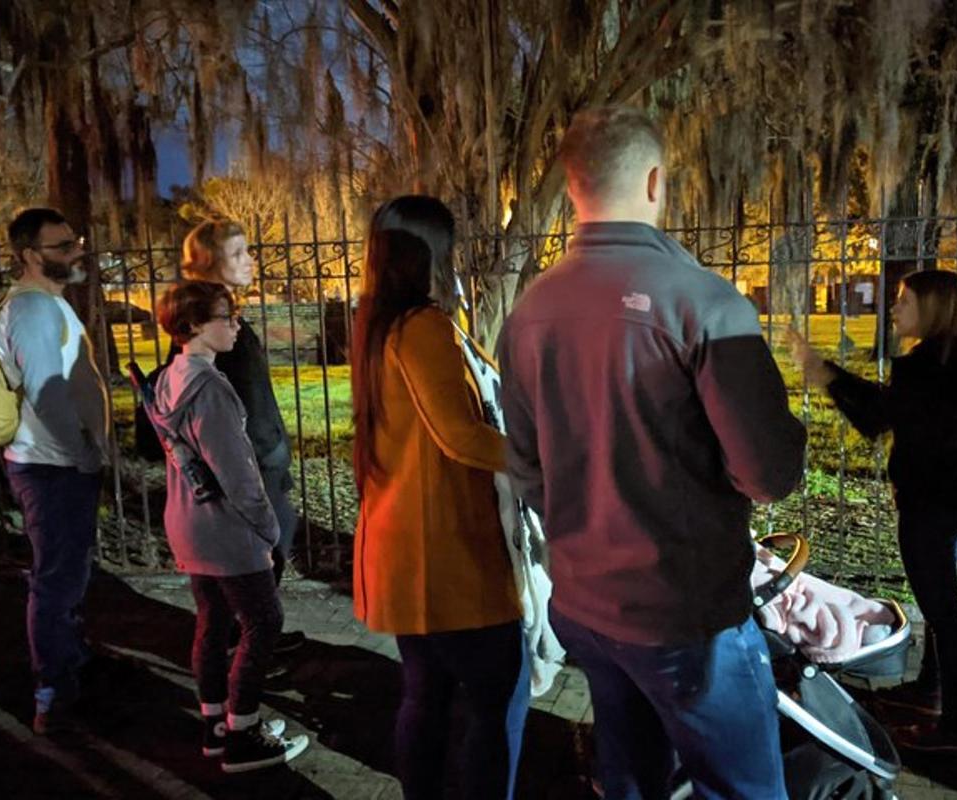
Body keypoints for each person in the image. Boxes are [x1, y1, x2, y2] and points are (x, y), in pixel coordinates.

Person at [498, 106, 806, 799]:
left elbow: (524, 465)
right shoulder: (702, 303)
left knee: (631, 776)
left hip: (583, 602)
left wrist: (585, 526)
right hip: (685, 614)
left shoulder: (529, 311)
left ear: (574, 186)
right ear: (657, 180)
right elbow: (768, 473)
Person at [351, 196, 528, 800]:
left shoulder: (375, 323)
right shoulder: (421, 326)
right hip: (450, 556)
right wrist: (549, 460)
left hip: (406, 550)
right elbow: (460, 436)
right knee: (497, 701)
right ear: (431, 252)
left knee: (425, 694)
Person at [787, 269, 957, 753]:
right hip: (955, 496)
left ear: (934, 309)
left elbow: (878, 417)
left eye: (904, 301)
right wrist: (828, 373)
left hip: (931, 505)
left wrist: (824, 374)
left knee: (945, 613)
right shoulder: (956, 361)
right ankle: (931, 686)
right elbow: (892, 409)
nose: (894, 309)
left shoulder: (926, 368)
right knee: (942, 605)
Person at [152, 280, 309, 773]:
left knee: (213, 622)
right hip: (225, 528)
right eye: (227, 316)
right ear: (194, 325)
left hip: (188, 523)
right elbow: (238, 474)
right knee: (264, 622)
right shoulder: (211, 389)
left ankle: (216, 725)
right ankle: (244, 733)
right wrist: (266, 531)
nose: (237, 325)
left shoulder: (168, 379)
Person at [0, 208, 109, 734]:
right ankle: (54, 692)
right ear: (29, 255)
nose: (74, 253)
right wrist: (82, 453)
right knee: (56, 581)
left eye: (74, 242)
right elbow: (47, 393)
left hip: (57, 464)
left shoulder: (47, 304)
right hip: (50, 466)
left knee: (65, 574)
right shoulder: (34, 311)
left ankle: (70, 663)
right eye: (61, 247)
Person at [176, 220, 304, 654]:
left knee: (266, 553)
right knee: (259, 559)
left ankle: (245, 643)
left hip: (264, 461)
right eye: (237, 254)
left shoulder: (227, 321)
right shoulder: (215, 331)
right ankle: (247, 650)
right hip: (252, 466)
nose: (250, 260)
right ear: (209, 264)